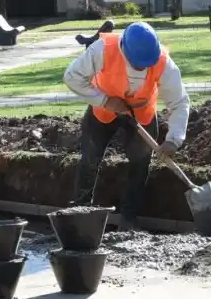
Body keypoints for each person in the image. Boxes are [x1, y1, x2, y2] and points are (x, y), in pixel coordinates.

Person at [63, 21, 191, 230]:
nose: (143, 68)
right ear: (125, 51)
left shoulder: (163, 63)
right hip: (102, 110)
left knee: (140, 165)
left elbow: (179, 102)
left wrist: (174, 140)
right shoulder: (102, 50)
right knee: (90, 158)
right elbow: (71, 77)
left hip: (142, 113)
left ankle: (129, 220)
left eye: (146, 64)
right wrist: (104, 100)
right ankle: (80, 214)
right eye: (138, 64)